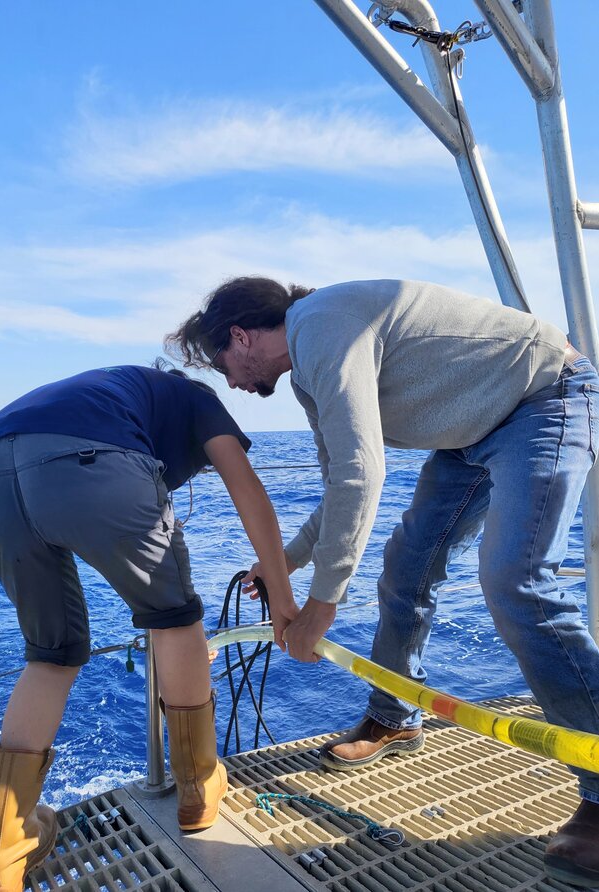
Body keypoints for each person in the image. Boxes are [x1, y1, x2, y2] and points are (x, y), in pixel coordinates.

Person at [168, 275, 599, 888]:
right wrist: (286, 560)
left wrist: (322, 604)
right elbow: (339, 485)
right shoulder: (309, 374)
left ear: (240, 335)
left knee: (516, 583)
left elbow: (361, 476)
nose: (232, 382)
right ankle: (395, 717)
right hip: (470, 434)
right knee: (404, 574)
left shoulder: (319, 325)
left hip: (542, 398)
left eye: (224, 365)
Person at [0, 361, 298, 892]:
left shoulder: (115, 388)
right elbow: (246, 488)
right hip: (90, 459)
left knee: (51, 653)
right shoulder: (195, 398)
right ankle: (198, 790)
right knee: (174, 619)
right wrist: (282, 592)